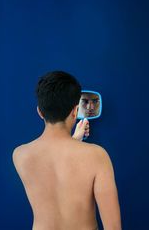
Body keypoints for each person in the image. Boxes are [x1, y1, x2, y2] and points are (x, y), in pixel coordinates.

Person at [12, 70, 122, 230]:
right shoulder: (97, 156)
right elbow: (113, 228)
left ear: (40, 112)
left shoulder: (20, 155)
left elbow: (54, 163)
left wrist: (75, 139)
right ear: (75, 111)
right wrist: (74, 141)